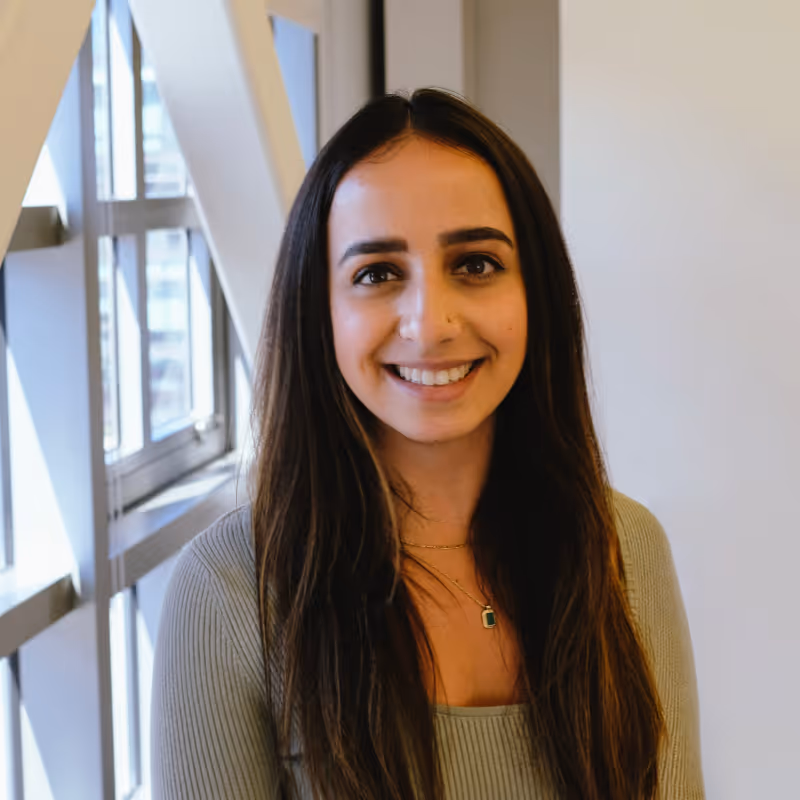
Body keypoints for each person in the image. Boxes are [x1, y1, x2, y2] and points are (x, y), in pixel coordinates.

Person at [151, 89, 705, 799]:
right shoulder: (228, 594)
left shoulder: (627, 549)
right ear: (319, 313)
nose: (430, 323)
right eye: (377, 274)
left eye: (474, 264)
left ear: (535, 292)